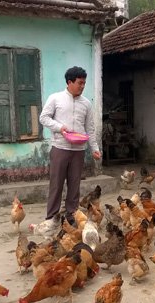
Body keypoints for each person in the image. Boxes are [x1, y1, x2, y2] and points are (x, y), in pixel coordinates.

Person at [39, 66, 101, 224]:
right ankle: (51, 218)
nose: (82, 86)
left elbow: (90, 128)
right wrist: (60, 127)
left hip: (79, 150)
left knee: (75, 185)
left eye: (84, 83)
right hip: (60, 148)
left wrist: (95, 149)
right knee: (56, 185)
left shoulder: (86, 104)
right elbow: (43, 118)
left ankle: (71, 216)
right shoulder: (56, 98)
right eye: (79, 83)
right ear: (69, 82)